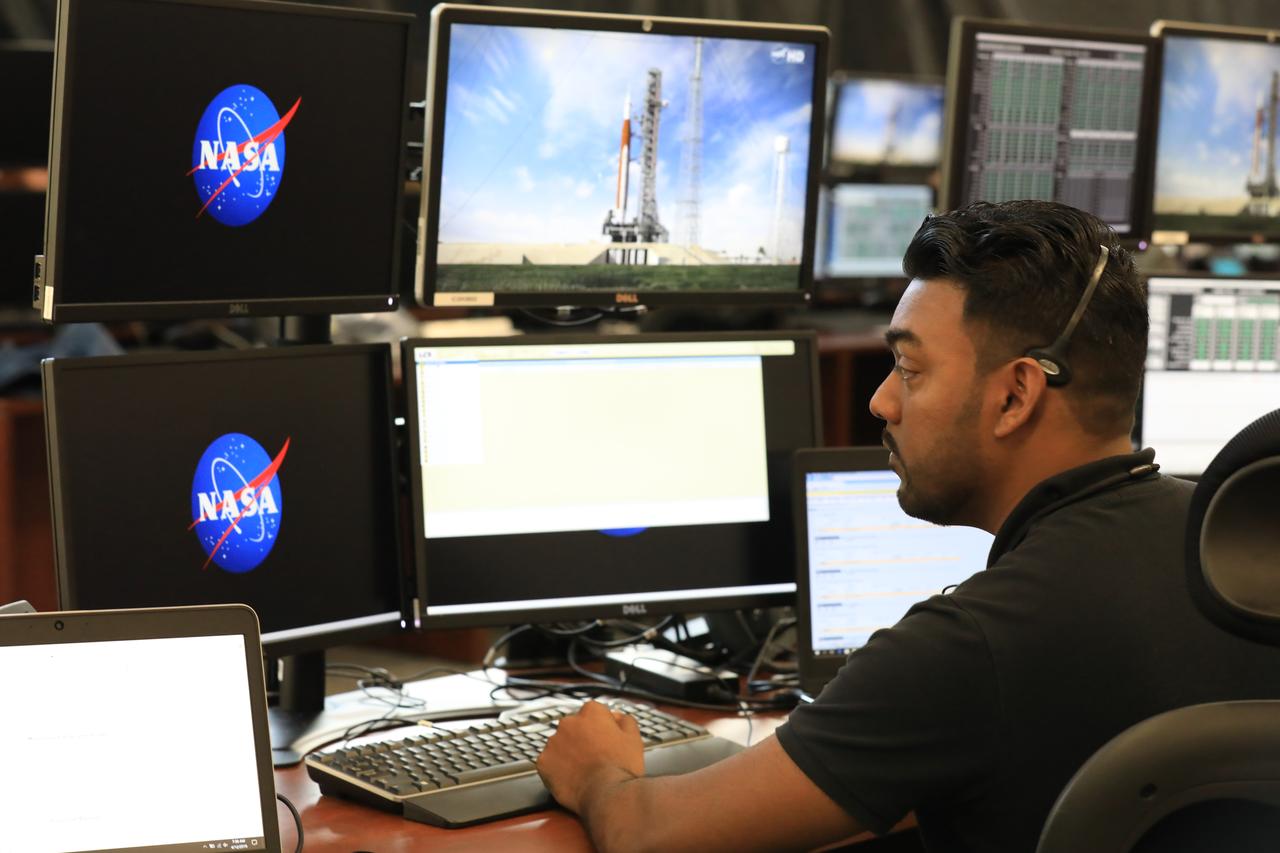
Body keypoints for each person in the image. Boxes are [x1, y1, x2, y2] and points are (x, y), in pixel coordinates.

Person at [534, 200, 1280, 853]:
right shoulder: (1245, 558)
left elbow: (651, 834)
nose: (881, 402)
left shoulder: (969, 644)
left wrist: (600, 769)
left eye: (910, 370)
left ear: (1017, 394)